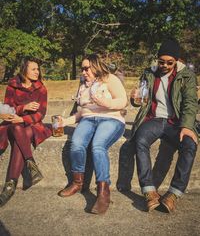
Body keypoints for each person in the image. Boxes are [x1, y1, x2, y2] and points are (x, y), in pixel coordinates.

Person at [130, 39, 198, 212]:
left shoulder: (186, 75)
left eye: (170, 62)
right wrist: (135, 99)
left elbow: (190, 103)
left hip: (176, 122)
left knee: (190, 144)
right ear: (157, 59)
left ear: (177, 61)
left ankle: (173, 194)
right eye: (162, 62)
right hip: (153, 119)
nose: (165, 66)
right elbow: (143, 99)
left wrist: (187, 126)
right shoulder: (149, 73)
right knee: (140, 139)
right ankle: (149, 191)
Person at [58, 54, 127, 215]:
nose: (83, 71)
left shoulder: (110, 79)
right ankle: (77, 182)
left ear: (95, 66)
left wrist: (106, 103)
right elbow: (81, 112)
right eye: (82, 68)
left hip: (111, 118)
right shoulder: (83, 85)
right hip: (88, 119)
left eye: (86, 68)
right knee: (76, 144)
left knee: (98, 146)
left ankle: (103, 192)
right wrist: (65, 122)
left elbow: (123, 101)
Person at [0, 57, 52, 207]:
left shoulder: (41, 88)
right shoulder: (12, 86)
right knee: (16, 128)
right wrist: (23, 108)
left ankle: (9, 187)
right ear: (24, 70)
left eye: (38, 69)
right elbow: (7, 109)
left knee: (21, 133)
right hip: (11, 123)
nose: (37, 72)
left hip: (31, 125)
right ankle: (31, 163)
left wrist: (23, 119)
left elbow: (41, 113)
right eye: (33, 69)